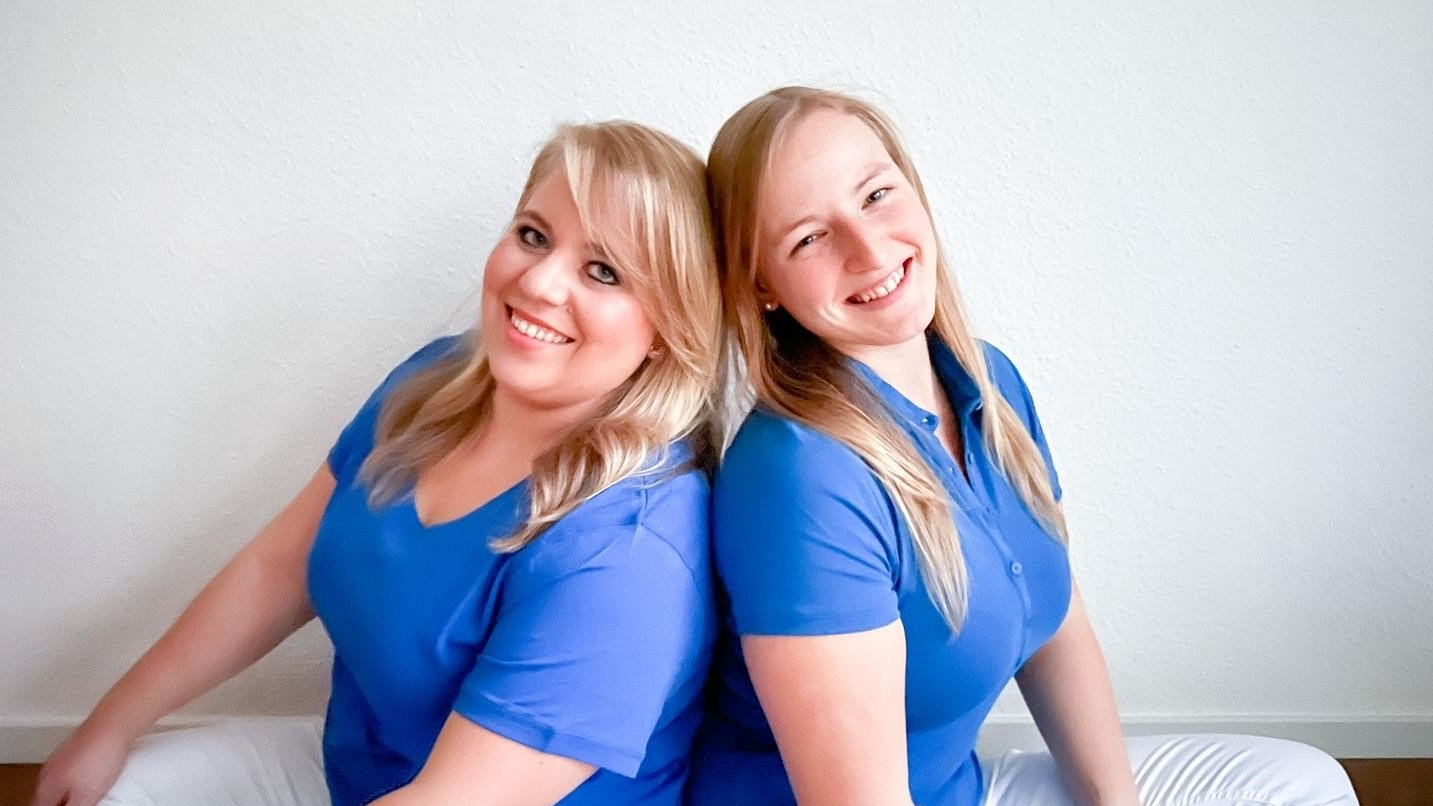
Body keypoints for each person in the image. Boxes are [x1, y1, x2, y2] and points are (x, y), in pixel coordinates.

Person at [686, 86, 1358, 806]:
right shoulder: (798, 476)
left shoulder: (986, 380)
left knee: (1302, 784)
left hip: (962, 789)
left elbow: (1056, 623)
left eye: (876, 195)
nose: (869, 249)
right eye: (810, 238)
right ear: (761, 284)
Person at [32, 120, 723, 806]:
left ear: (666, 329)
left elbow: (453, 799)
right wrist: (109, 728)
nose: (539, 281)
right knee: (111, 791)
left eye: (603, 272)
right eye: (533, 235)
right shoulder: (434, 382)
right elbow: (278, 570)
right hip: (359, 774)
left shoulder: (629, 553)